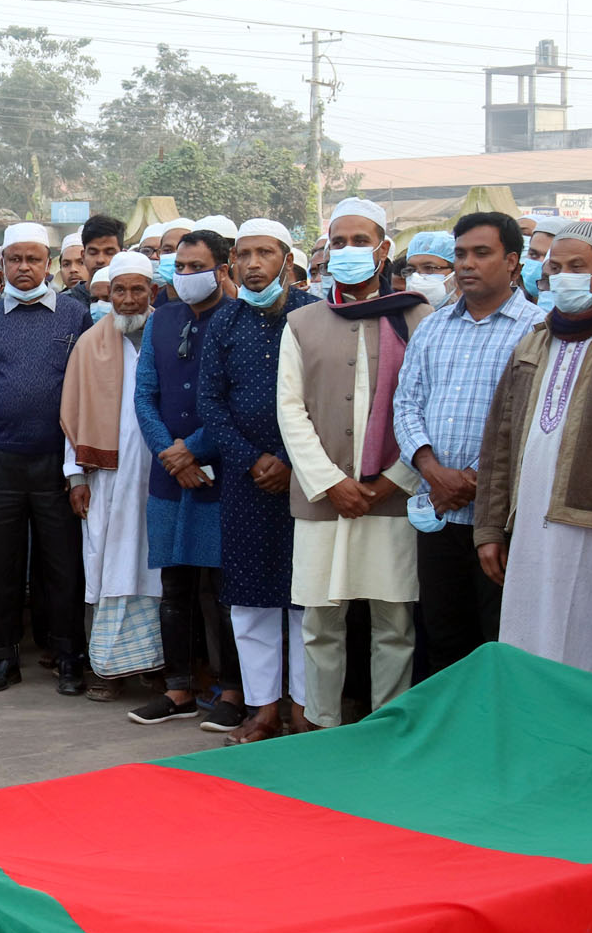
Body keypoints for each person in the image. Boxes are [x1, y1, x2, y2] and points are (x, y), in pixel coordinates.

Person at [275, 197, 429, 730]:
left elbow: (424, 407)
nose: (347, 251)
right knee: (321, 619)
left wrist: (393, 480)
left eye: (359, 241)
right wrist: (329, 482)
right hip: (323, 498)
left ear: (383, 250)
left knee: (394, 620)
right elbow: (289, 410)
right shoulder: (302, 321)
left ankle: (388, 725)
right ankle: (321, 725)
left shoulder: (416, 316)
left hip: (393, 495)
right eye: (338, 242)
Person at [473, 221, 592, 682]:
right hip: (528, 530)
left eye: (577, 267)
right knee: (529, 651)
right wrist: (489, 527)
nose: (564, 276)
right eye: (556, 267)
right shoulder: (533, 340)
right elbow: (499, 441)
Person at [391, 213, 544, 679]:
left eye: (482, 253)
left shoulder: (537, 329)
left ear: (512, 261)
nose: (467, 265)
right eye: (460, 255)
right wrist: (433, 470)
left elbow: (528, 420)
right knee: (443, 638)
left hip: (497, 519)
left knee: (498, 641)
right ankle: (449, 744)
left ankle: (495, 743)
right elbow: (406, 403)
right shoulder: (434, 328)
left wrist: (475, 480)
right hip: (437, 511)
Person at [199, 219, 320, 743]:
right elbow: (211, 402)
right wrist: (252, 460)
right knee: (251, 602)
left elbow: (331, 394)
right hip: (246, 482)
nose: (253, 264)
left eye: (264, 253)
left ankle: (305, 710)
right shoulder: (223, 323)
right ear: (230, 266)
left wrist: (291, 460)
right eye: (243, 254)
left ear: (286, 262)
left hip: (309, 477)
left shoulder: (316, 316)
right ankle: (263, 709)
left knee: (305, 598)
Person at [0, 222, 93, 695]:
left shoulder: (75, 316)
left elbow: (85, 392)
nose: (23, 267)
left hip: (57, 464)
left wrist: (78, 464)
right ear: (2, 265)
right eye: (14, 259)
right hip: (0, 463)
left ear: (49, 264)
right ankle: (1, 658)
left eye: (33, 259)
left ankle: (67, 656)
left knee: (62, 564)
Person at [128, 229, 242, 728]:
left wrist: (192, 450)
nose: (187, 275)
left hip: (222, 474)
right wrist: (171, 455)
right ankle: (178, 689)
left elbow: (238, 400)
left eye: (198, 266)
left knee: (223, 590)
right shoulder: (163, 319)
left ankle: (234, 691)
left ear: (223, 268)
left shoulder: (238, 319)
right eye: (181, 266)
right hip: (170, 477)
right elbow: (144, 394)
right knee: (174, 588)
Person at [61, 252, 162, 700]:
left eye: (136, 289)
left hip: (162, 478)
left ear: (153, 293)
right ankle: (106, 669)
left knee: (158, 571)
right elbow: (75, 416)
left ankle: (157, 667)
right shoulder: (90, 344)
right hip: (106, 479)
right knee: (104, 566)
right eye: (117, 290)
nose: (125, 299)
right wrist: (75, 477)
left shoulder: (170, 337)